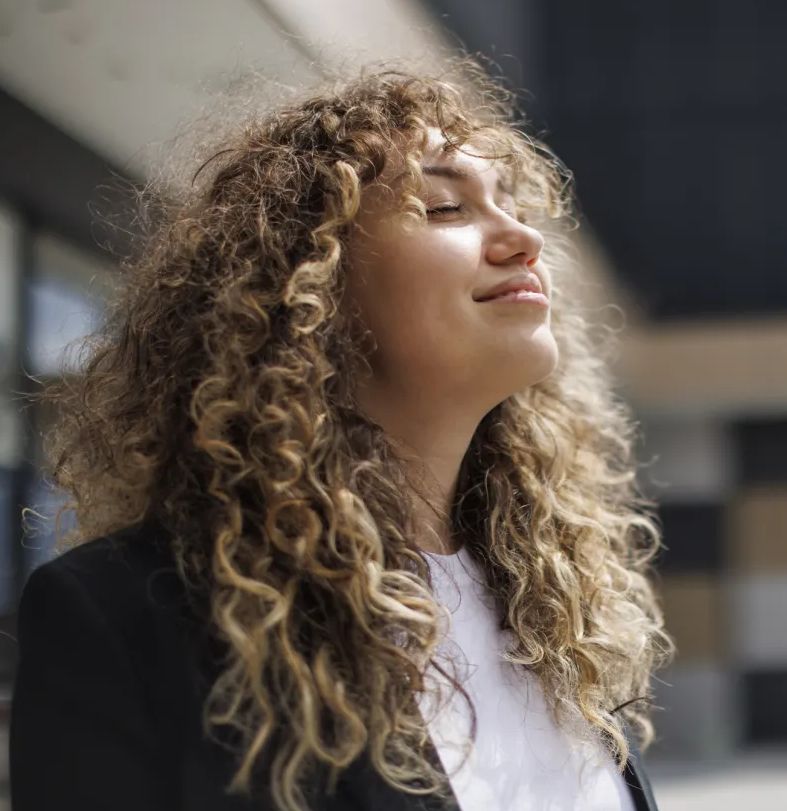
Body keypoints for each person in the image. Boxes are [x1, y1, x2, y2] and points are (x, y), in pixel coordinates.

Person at [9, 59, 672, 811]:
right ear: (310, 282)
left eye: (514, 204)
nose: (523, 238)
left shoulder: (552, 613)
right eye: (447, 207)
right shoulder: (131, 618)